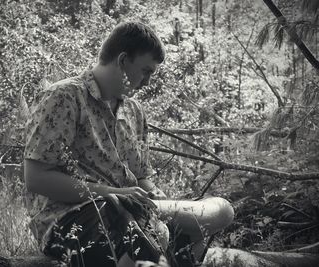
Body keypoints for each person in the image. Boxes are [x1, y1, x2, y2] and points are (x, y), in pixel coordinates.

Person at [24, 21, 233, 267]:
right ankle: (158, 246)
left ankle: (164, 242)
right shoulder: (64, 97)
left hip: (137, 211)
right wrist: (112, 194)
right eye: (145, 71)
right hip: (76, 218)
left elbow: (141, 177)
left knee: (222, 211)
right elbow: (36, 178)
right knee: (140, 233)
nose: (146, 82)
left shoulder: (134, 111)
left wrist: (156, 201)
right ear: (123, 60)